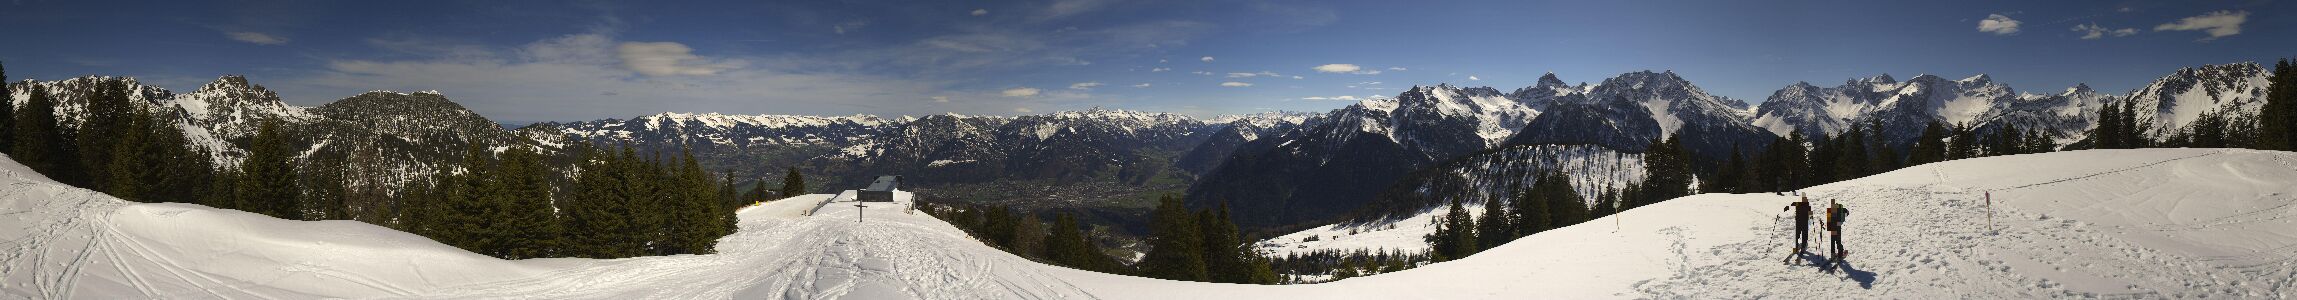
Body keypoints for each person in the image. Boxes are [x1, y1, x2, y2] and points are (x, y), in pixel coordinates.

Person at [1781, 196, 1812, 264]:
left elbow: (1791, 205)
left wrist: (1785, 209)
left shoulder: (1797, 203)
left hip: (1798, 223)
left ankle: (1796, 246)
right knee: (1804, 236)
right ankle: (1802, 248)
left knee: (1797, 235)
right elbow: (1810, 215)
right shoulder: (1808, 206)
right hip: (1804, 224)